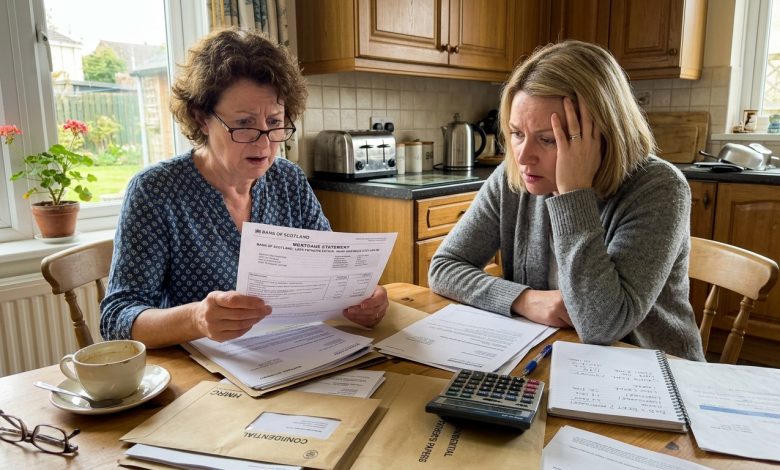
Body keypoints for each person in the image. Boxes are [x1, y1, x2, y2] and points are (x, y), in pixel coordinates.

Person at [100, 28, 388, 347]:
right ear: (201, 119)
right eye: (243, 123)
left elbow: (332, 276)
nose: (264, 142)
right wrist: (197, 319)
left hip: (293, 353)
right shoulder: (157, 191)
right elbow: (117, 317)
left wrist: (362, 299)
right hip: (202, 376)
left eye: (275, 122)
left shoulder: (288, 180)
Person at [428, 40, 705, 361]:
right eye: (517, 134)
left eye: (547, 139)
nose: (522, 156)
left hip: (654, 372)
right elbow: (444, 267)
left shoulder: (660, 188)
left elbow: (602, 325)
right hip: (555, 355)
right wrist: (524, 299)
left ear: (602, 134)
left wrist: (573, 195)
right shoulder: (514, 176)